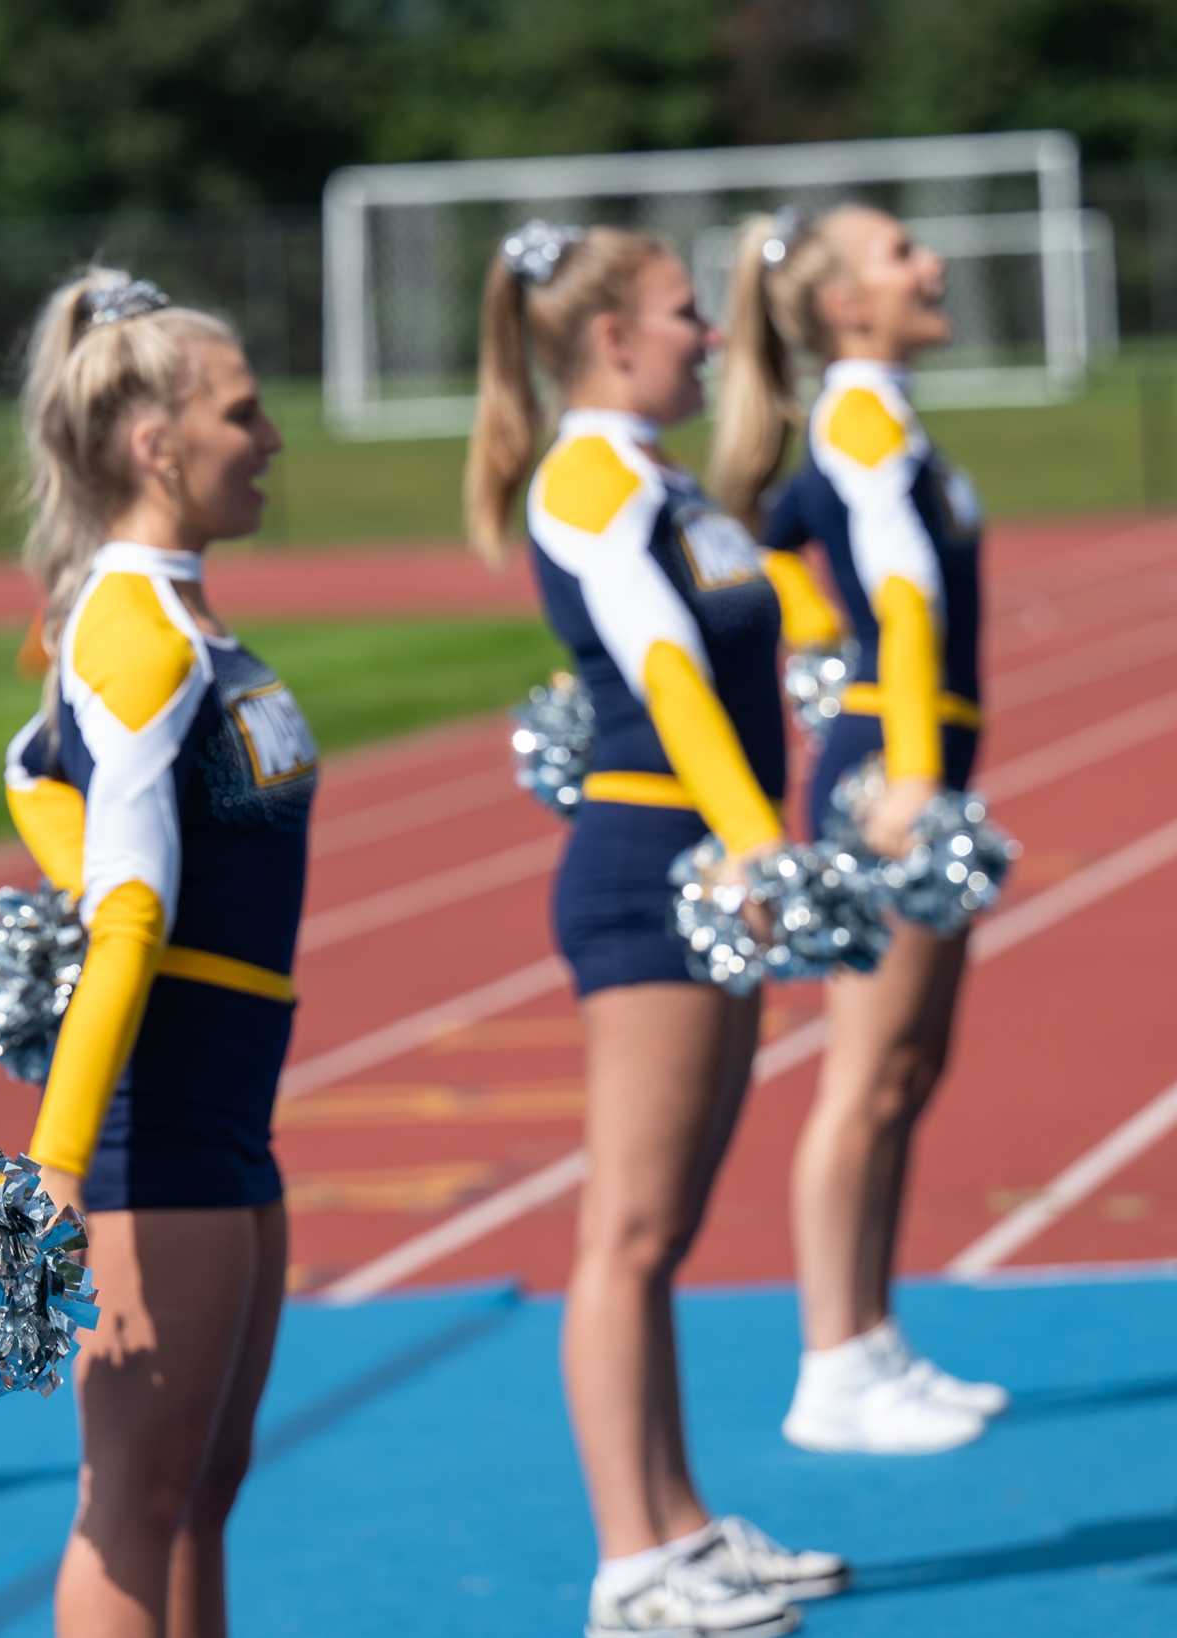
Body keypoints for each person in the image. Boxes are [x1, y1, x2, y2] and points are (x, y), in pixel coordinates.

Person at [466, 222, 848, 1638]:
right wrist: (756, 845)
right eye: (688, 314)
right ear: (613, 336)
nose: (710, 335)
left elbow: (761, 618)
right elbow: (666, 663)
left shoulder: (662, 474)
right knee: (626, 1230)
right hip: (656, 864)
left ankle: (680, 1522)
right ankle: (631, 1563)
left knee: (665, 1226)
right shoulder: (586, 472)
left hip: (703, 853)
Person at [1, 267, 305, 1638]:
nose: (271, 438)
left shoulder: (175, 617)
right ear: (154, 441)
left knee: (203, 1486)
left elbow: (29, 763)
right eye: (244, 412)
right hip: (156, 1119)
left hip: (228, 1110)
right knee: (136, 1498)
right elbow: (129, 907)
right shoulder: (129, 623)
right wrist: (58, 1161)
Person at [710, 206, 1004, 1455]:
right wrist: (910, 769)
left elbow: (768, 532)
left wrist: (812, 639)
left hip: (903, 747)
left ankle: (871, 1338)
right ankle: (831, 1361)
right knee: (864, 1073)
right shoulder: (859, 412)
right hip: (891, 769)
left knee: (906, 1067)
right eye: (898, 254)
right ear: (840, 306)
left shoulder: (873, 414)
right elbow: (902, 585)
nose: (929, 263)